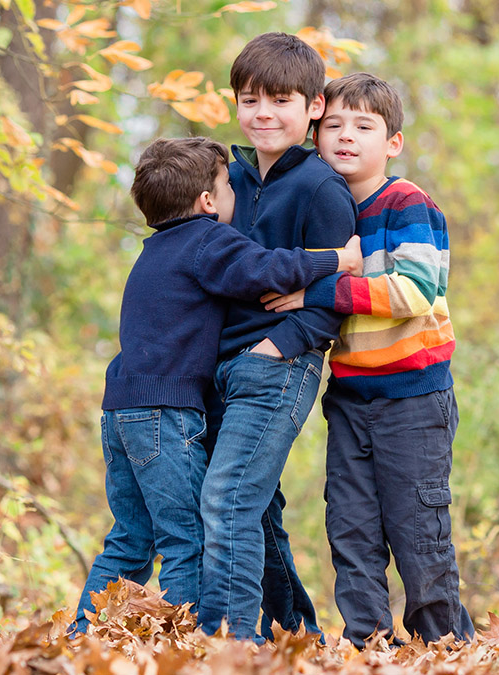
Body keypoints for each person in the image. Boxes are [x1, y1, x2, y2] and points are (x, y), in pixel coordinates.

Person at [69, 136, 361, 636]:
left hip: (120, 411)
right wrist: (337, 259)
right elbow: (267, 269)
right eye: (228, 187)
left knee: (130, 538)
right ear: (207, 202)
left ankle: (82, 636)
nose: (234, 196)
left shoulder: (151, 252)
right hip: (166, 413)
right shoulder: (207, 241)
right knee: (186, 539)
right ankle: (185, 645)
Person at [263, 72, 475, 646]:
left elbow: (414, 293)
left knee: (417, 530)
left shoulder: (406, 204)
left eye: (364, 126)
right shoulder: (326, 210)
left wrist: (319, 291)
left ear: (393, 143)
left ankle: (446, 646)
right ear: (315, 133)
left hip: (414, 397)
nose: (346, 137)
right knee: (350, 529)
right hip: (352, 400)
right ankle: (368, 646)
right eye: (332, 126)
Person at [197, 32, 359, 641]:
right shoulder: (228, 175)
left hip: (276, 366)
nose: (263, 113)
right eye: (250, 99)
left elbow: (341, 287)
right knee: (254, 511)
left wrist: (279, 346)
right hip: (218, 363)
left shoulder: (320, 187)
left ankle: (231, 641)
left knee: (228, 500)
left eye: (281, 100)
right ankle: (295, 633)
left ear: (314, 106)